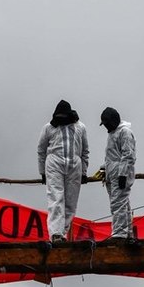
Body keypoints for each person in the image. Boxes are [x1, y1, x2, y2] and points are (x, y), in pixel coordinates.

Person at [37, 99, 89, 242]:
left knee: (71, 202)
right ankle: (56, 234)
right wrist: (42, 171)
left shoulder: (80, 127)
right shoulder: (49, 128)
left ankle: (63, 232)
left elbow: (85, 151)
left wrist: (84, 171)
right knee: (56, 198)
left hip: (74, 165)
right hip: (54, 164)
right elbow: (41, 150)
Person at [99, 107, 137, 242]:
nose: (106, 127)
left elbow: (128, 155)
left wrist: (122, 174)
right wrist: (104, 169)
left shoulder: (125, 132)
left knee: (118, 203)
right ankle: (127, 233)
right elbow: (112, 156)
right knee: (123, 203)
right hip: (113, 174)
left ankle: (119, 234)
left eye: (107, 123)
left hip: (121, 175)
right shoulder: (113, 133)